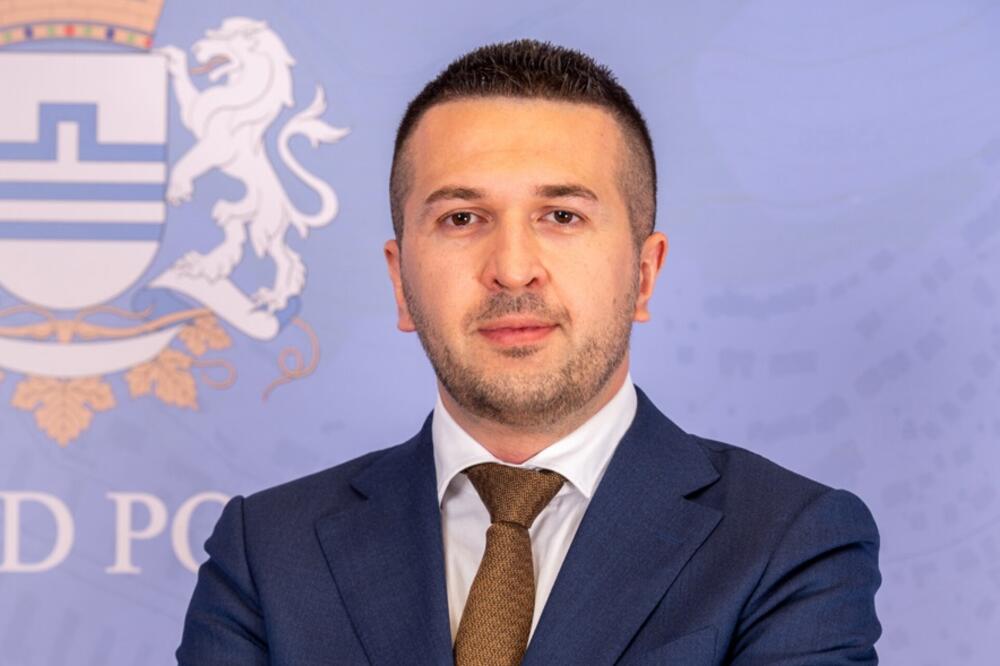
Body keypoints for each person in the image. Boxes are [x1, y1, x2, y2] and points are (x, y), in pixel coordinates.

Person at [176, 39, 882, 665]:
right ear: (400, 282)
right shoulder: (267, 553)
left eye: (562, 216)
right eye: (462, 218)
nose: (513, 269)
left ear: (644, 274)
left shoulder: (787, 543)